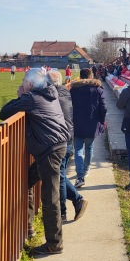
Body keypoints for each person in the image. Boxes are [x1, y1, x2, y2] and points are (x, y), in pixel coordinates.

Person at [0, 69, 68, 256]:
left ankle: (55, 243)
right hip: (55, 146)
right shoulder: (49, 92)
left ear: (30, 84)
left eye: (24, 82)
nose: (22, 84)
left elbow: (4, 113)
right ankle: (28, 226)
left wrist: (21, 95)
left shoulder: (31, 97)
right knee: (28, 180)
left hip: (50, 150)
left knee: (49, 197)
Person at [47, 70, 88, 222]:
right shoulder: (65, 93)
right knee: (61, 174)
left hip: (61, 140)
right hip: (67, 137)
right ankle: (77, 200)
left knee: (60, 176)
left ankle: (63, 211)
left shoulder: (53, 96)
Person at [69, 68, 107, 188]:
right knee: (89, 147)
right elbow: (103, 108)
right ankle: (86, 169)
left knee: (78, 149)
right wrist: (102, 120)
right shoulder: (98, 89)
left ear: (80, 77)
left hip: (77, 123)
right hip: (92, 123)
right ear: (91, 77)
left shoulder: (73, 90)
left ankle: (80, 175)